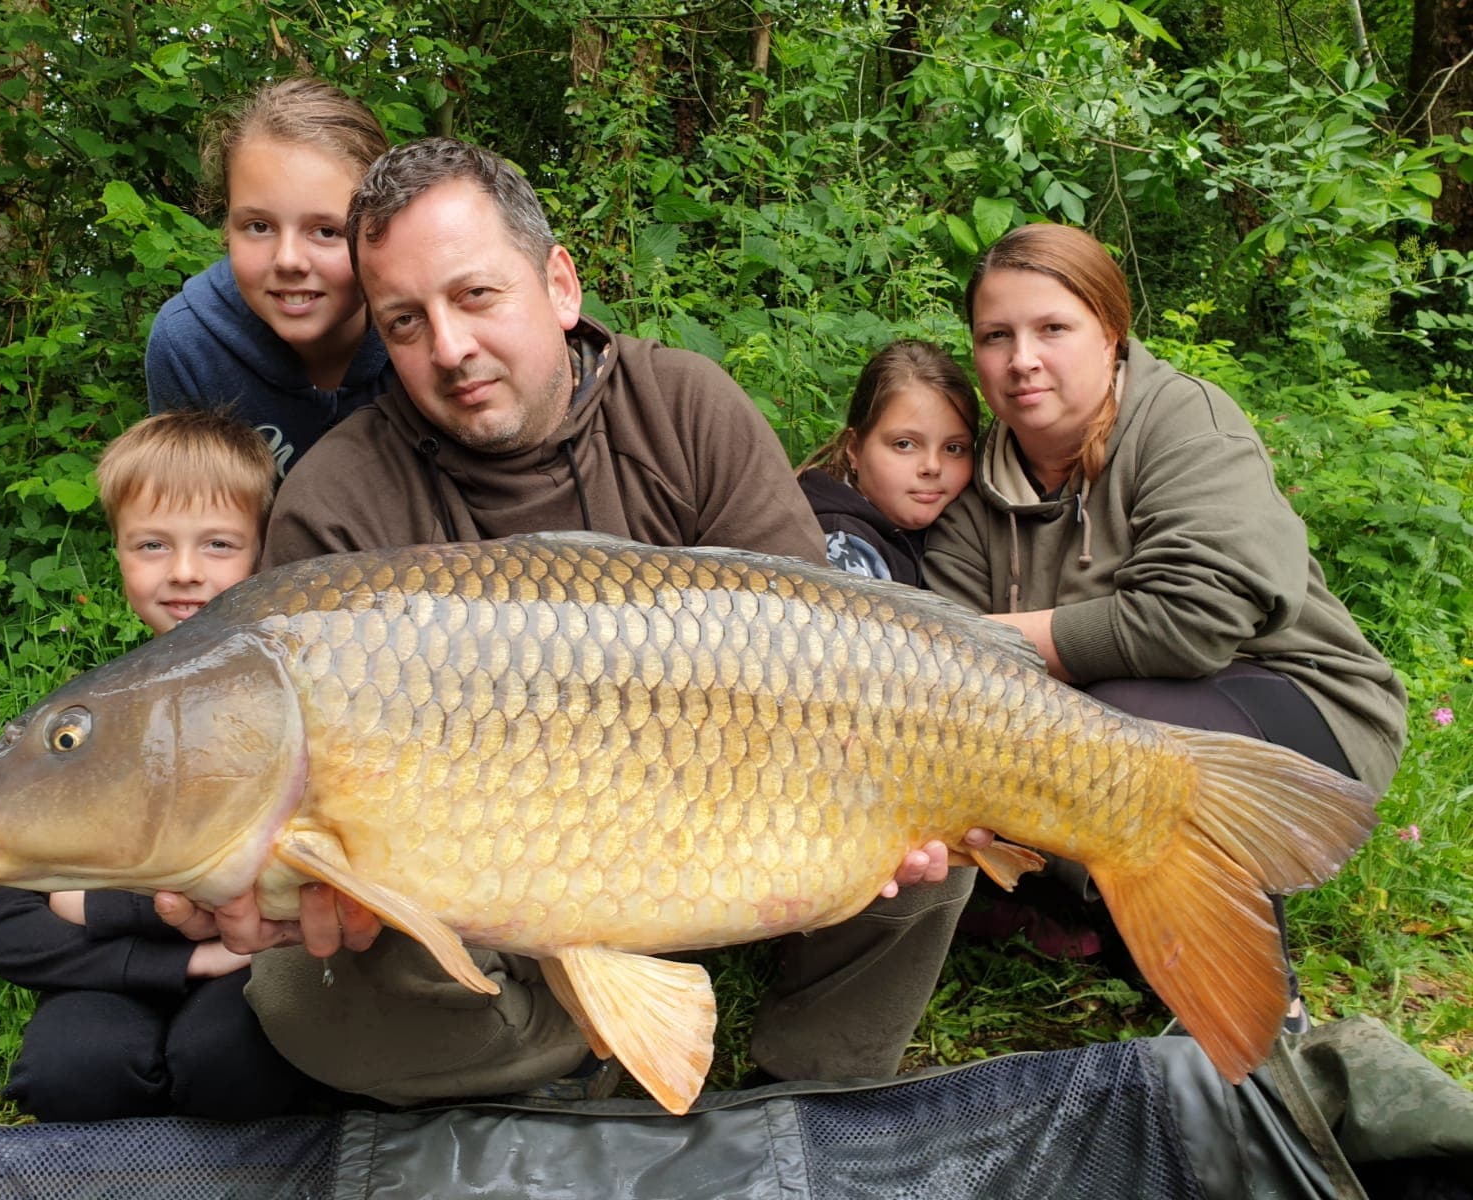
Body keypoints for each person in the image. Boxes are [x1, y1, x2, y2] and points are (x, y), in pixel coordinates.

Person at [154, 137, 987, 1103]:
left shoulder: (685, 409)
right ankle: (578, 1048)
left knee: (938, 810)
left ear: (558, 284)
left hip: (739, 836)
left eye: (475, 298)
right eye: (406, 322)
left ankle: (810, 1091)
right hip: (487, 911)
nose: (450, 348)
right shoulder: (338, 505)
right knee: (302, 990)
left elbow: (823, 657)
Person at [923, 222, 1408, 1026]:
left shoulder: (1183, 420)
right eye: (995, 336)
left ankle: (1260, 1008)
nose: (1022, 359)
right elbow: (935, 672)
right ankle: (1087, 913)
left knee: (1122, 735)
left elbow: (1192, 620)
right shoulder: (975, 487)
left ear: (1110, 332)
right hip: (1084, 722)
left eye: (1053, 328)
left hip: (1296, 704)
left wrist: (991, 647)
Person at [0, 410, 341, 1120]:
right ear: (115, 551)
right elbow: (6, 931)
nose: (183, 571)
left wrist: (86, 905)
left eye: (218, 544)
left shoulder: (299, 704)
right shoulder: (88, 716)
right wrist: (183, 959)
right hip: (111, 980)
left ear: (265, 553)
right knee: (70, 1069)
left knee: (228, 1062)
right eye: (151, 544)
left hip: (257, 969)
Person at [144, 77, 393, 478]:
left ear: (377, 229)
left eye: (326, 231)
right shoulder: (189, 345)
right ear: (227, 224)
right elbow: (192, 519)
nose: (288, 260)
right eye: (259, 226)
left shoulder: (426, 327)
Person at [797, 339, 978, 584]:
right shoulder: (840, 548)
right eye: (904, 444)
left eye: (954, 448)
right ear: (854, 448)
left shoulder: (957, 526)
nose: (933, 466)